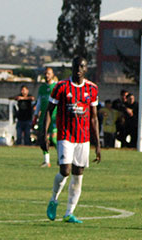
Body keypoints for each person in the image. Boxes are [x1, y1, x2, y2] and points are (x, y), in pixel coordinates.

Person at [44, 56, 100, 224]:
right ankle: (54, 199)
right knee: (65, 170)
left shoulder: (92, 89)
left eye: (81, 66)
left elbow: (94, 118)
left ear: (86, 69)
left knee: (78, 175)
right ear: (72, 66)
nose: (78, 69)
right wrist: (44, 134)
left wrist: (97, 145)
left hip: (83, 139)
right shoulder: (61, 87)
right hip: (65, 136)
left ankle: (69, 213)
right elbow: (49, 110)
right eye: (76, 65)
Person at [33, 67, 57, 166]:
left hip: (54, 117)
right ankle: (46, 161)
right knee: (44, 138)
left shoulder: (56, 87)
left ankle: (62, 158)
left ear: (52, 75)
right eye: (45, 73)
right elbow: (39, 102)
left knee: (55, 139)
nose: (47, 75)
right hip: (43, 116)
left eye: (49, 73)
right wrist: (35, 115)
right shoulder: (42, 88)